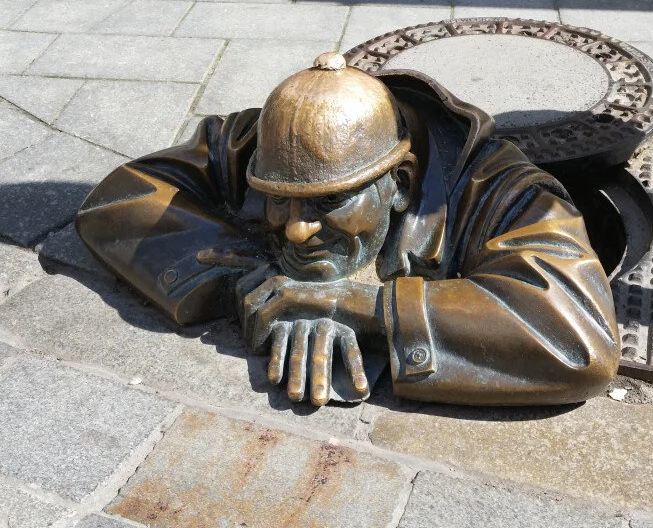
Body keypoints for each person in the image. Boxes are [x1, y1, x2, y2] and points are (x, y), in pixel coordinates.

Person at [76, 53, 619, 409]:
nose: (296, 231)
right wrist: (245, 273)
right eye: (278, 199)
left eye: (330, 202)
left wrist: (364, 307)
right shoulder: (265, 143)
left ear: (400, 184)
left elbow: (581, 341)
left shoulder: (502, 191)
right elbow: (121, 197)